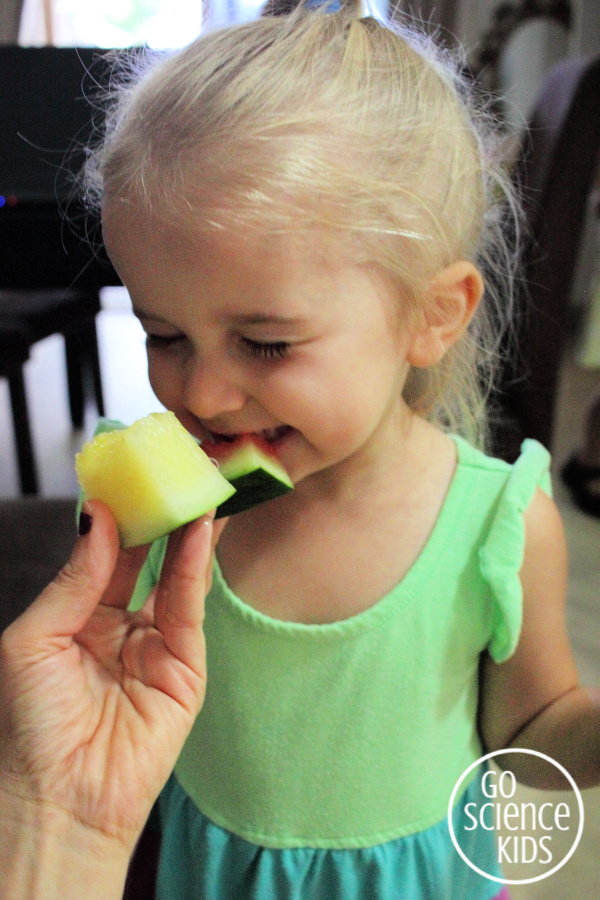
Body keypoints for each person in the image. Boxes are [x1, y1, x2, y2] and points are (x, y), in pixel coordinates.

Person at [1, 3, 599, 899]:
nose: (199, 396)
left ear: (433, 316)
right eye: (163, 334)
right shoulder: (163, 506)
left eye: (267, 345)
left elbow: (531, 725)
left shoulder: (497, 525)